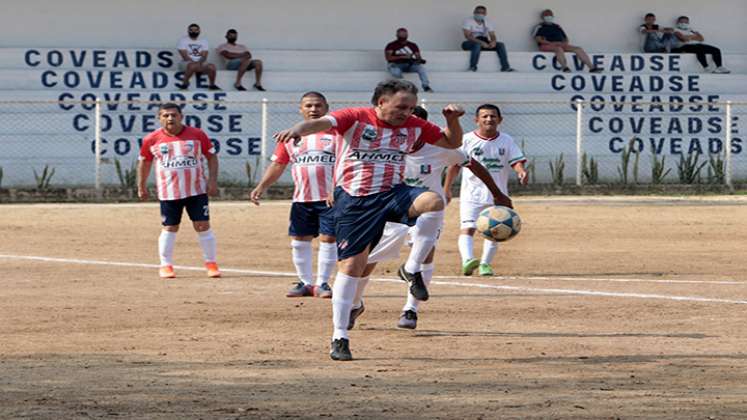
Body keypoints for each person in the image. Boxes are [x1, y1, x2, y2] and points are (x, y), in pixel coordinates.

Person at [274, 80, 465, 361]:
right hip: (355, 201)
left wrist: (451, 120)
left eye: (411, 107)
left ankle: (412, 268)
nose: (406, 112)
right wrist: (297, 129)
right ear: (381, 102)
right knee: (355, 266)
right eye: (401, 106)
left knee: (434, 201)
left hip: (393, 193)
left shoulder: (413, 126)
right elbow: (323, 122)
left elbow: (452, 142)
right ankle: (340, 336)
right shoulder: (355, 117)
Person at [359, 106, 511, 330]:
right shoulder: (385, 145)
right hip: (391, 208)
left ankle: (410, 310)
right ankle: (354, 303)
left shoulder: (438, 147)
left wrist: (498, 194)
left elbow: (472, 164)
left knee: (425, 256)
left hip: (427, 209)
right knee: (368, 259)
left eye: (416, 124)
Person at [250, 92, 337, 298]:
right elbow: (278, 164)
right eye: (308, 106)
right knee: (299, 239)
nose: (313, 109)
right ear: (301, 109)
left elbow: (348, 163)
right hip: (302, 198)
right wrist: (261, 186)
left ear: (326, 108)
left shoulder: (338, 134)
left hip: (331, 198)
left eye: (318, 105)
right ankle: (305, 282)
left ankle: (323, 283)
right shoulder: (290, 137)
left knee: (328, 238)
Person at [137, 103, 220, 279]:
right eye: (165, 115)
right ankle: (166, 265)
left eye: (174, 115)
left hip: (196, 190)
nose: (170, 118)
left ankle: (211, 263)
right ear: (159, 118)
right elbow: (145, 162)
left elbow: (211, 156)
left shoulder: (197, 135)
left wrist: (212, 181)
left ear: (181, 116)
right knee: (170, 227)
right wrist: (141, 186)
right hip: (169, 192)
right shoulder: (151, 139)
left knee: (202, 226)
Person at [444, 104, 528, 277]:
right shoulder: (466, 139)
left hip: (497, 195)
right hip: (471, 194)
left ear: (500, 120)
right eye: (485, 116)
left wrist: (521, 171)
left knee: (495, 230)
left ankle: (485, 265)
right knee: (467, 228)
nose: (489, 119)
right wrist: (447, 188)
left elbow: (516, 161)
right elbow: (454, 166)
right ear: (476, 120)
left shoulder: (506, 140)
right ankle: (468, 261)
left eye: (493, 116)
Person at [532, 9, 602, 73]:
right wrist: (551, 43)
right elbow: (538, 39)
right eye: (546, 15)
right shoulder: (540, 27)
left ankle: (592, 68)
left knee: (578, 49)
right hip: (547, 45)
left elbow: (566, 38)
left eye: (550, 15)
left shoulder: (557, 26)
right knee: (558, 49)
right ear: (542, 17)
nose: (549, 17)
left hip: (560, 44)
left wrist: (564, 43)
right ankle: (565, 68)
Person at [461, 5, 515, 72]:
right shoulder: (468, 21)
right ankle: (472, 67)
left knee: (500, 45)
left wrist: (493, 41)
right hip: (470, 43)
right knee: (477, 45)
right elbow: (468, 36)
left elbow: (492, 35)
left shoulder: (488, 22)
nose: (480, 14)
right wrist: (481, 42)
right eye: (478, 12)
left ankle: (505, 67)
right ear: (474, 12)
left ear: (485, 14)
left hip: (484, 42)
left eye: (482, 13)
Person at [385, 28, 433, 92]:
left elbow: (418, 57)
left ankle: (426, 86)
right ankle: (402, 86)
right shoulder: (391, 45)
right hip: (395, 64)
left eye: (404, 34)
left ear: (407, 35)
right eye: (401, 34)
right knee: (396, 72)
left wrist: (418, 60)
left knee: (421, 68)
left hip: (409, 64)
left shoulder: (413, 45)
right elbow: (388, 58)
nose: (403, 35)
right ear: (397, 35)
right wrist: (402, 57)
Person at [176, 23, 220, 90]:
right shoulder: (183, 40)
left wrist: (199, 63)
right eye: (191, 30)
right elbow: (185, 57)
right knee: (192, 66)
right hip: (186, 63)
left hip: (201, 62)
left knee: (212, 67)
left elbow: (204, 56)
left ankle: (212, 85)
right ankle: (184, 84)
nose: (193, 31)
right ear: (188, 31)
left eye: (196, 30)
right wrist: (197, 64)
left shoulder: (204, 41)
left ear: (199, 31)